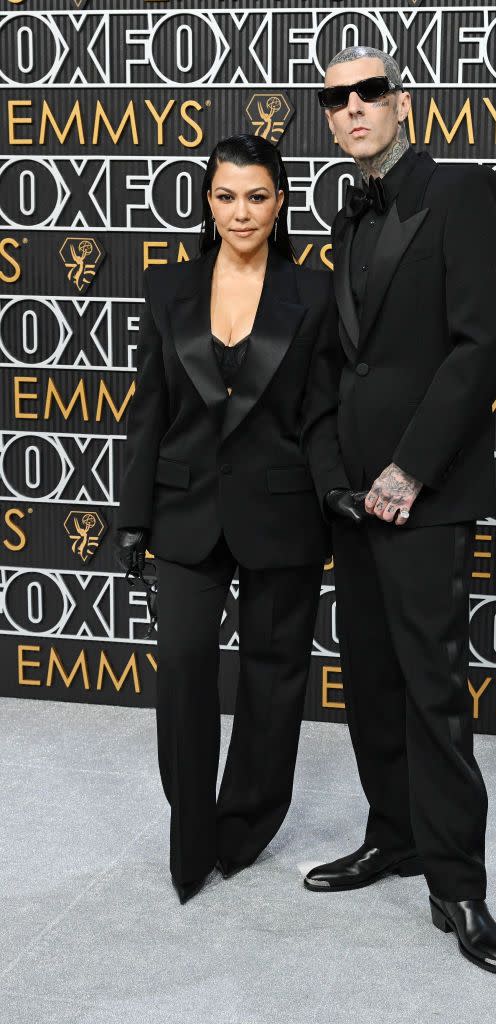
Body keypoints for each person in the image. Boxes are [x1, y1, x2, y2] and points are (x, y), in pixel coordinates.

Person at [303, 47, 496, 974]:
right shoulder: (345, 211)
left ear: (402, 102)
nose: (350, 109)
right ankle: (391, 836)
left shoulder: (461, 192)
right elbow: (342, 359)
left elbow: (481, 345)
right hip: (352, 498)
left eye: (367, 94)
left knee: (432, 690)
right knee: (371, 681)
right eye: (334, 99)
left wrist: (408, 471)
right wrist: (336, 476)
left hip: (421, 496)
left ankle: (458, 884)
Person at [115, 134, 343, 905]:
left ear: (279, 203)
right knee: (181, 667)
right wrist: (132, 518)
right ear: (206, 203)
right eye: (225, 195)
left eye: (255, 195)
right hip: (183, 510)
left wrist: (337, 499)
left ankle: (243, 828)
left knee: (274, 680)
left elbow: (322, 414)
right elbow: (148, 411)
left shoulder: (313, 292)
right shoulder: (165, 287)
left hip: (282, 513)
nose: (239, 211)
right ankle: (192, 830)